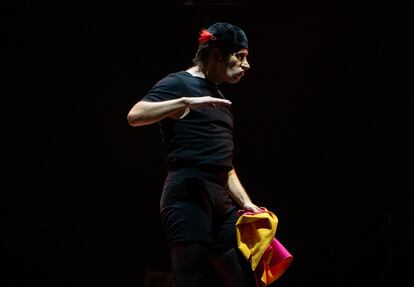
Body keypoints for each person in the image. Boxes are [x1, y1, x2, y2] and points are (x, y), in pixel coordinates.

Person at [127, 22, 261, 287]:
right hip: (188, 193)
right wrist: (185, 102)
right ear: (216, 54)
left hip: (221, 199)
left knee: (240, 278)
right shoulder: (179, 83)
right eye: (240, 56)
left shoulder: (220, 99)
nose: (246, 65)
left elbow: (225, 164)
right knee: (192, 279)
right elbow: (135, 115)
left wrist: (247, 203)